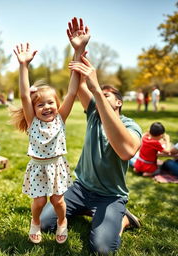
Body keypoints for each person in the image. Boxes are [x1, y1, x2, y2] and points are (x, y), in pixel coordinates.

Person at [40, 17, 142, 254]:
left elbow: (126, 151)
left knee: (102, 250)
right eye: (100, 94)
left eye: (107, 95)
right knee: (45, 225)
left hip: (110, 196)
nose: (100, 96)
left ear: (119, 102)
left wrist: (98, 87)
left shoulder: (130, 125)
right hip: (80, 188)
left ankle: (122, 218)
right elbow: (78, 86)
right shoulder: (94, 113)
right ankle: (86, 209)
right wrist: (77, 50)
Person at [11, 41, 80, 244]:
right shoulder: (32, 122)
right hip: (38, 167)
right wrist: (24, 65)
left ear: (57, 105)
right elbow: (24, 94)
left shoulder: (60, 118)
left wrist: (77, 53)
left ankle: (62, 221)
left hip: (57, 166)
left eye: (51, 102)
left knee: (57, 200)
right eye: (40, 104)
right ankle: (35, 222)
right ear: (34, 109)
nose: (47, 107)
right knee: (40, 201)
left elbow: (72, 92)